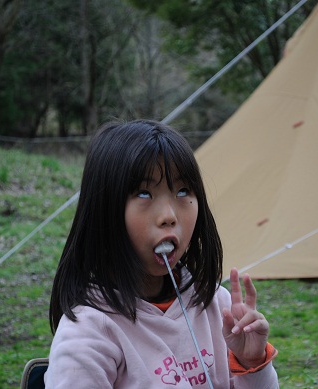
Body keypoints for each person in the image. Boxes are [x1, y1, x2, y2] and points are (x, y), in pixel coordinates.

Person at [44, 119, 278, 388]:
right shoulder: (89, 333)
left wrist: (250, 362)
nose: (169, 216)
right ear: (105, 211)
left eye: (182, 191)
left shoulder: (218, 307)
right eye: (144, 194)